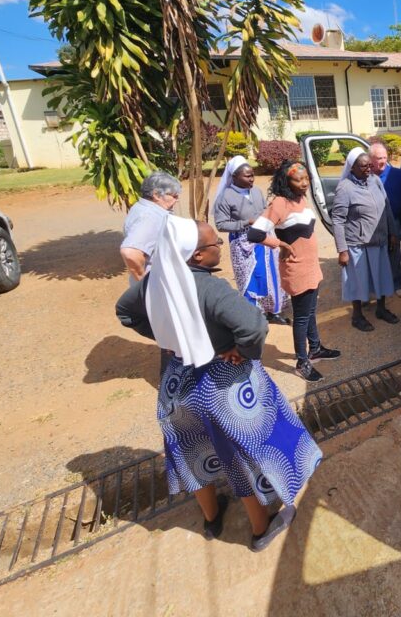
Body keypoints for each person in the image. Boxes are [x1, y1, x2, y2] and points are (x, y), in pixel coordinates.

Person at [115, 217, 321, 551]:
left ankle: (211, 519)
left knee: (190, 448)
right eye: (215, 244)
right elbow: (254, 327)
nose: (220, 247)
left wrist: (167, 339)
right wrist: (239, 351)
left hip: (176, 386)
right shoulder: (210, 288)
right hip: (219, 383)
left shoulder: (154, 281)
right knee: (239, 455)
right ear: (196, 256)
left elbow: (125, 312)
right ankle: (260, 528)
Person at [248, 160, 340, 383]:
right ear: (286, 181)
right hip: (296, 268)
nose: (304, 183)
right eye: (298, 179)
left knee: (309, 312)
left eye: (306, 178)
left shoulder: (302, 199)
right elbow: (254, 233)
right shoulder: (280, 203)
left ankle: (315, 349)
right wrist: (279, 244)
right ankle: (302, 362)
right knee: (301, 317)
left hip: (311, 265)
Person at [213, 155, 289, 326]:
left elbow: (264, 211)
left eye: (252, 175)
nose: (252, 178)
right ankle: (254, 315)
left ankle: (273, 312)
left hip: (264, 239)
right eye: (247, 176)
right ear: (234, 177)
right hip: (243, 243)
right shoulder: (226, 197)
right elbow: (221, 224)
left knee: (271, 275)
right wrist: (246, 222)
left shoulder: (256, 191)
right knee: (251, 278)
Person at [331, 147, 399, 332]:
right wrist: (342, 250)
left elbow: (387, 208)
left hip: (380, 240)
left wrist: (392, 232)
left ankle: (381, 309)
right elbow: (337, 220)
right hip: (357, 244)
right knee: (358, 281)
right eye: (363, 166)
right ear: (352, 167)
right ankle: (357, 316)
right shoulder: (345, 187)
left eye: (369, 165)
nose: (368, 169)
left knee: (382, 277)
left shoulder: (375, 180)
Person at [368, 142, 401, 298]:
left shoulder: (396, 174)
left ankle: (396, 283)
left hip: (392, 221)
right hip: (371, 224)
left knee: (393, 253)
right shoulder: (364, 175)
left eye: (384, 157)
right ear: (370, 159)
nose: (382, 161)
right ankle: (375, 286)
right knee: (373, 255)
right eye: (378, 158)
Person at [120, 171, 181, 281]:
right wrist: (143, 281)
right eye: (174, 196)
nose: (177, 200)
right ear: (156, 195)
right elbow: (130, 252)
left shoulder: (142, 208)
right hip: (156, 286)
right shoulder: (150, 217)